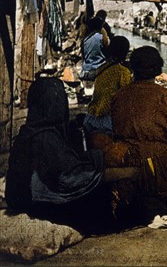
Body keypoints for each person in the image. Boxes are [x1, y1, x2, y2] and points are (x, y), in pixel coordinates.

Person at [5, 77, 111, 233]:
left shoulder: (27, 133)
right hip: (38, 206)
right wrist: (97, 160)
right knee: (101, 199)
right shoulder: (46, 137)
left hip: (20, 201)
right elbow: (71, 178)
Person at [110, 46, 167, 220]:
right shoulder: (166, 96)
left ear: (133, 69)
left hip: (128, 162)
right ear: (157, 69)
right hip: (161, 167)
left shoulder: (119, 96)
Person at [83, 36, 131, 137]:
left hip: (91, 118)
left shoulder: (102, 67)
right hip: (107, 122)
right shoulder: (123, 72)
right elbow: (126, 98)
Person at [81, 17, 107, 81]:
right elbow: (108, 46)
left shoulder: (85, 39)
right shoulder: (100, 38)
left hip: (86, 70)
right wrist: (104, 33)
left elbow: (83, 56)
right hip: (99, 70)